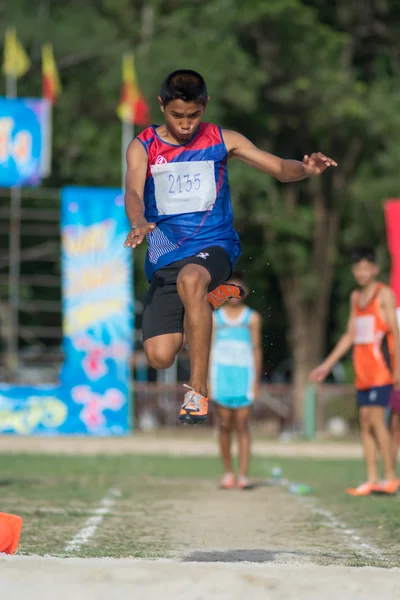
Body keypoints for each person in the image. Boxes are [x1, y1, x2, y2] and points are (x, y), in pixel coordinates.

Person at [124, 69, 336, 425]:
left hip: (214, 246)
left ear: (204, 106)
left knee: (192, 279)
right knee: (160, 356)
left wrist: (305, 169)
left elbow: (280, 169)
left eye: (194, 115)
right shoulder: (143, 145)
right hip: (165, 256)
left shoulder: (223, 139)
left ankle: (198, 390)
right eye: (177, 115)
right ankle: (207, 303)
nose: (186, 124)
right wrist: (138, 219)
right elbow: (131, 190)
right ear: (161, 106)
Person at [310, 248, 400, 495]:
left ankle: (391, 477)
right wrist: (326, 364)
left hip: (382, 369)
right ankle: (372, 478)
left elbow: (394, 330)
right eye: (357, 268)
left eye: (365, 268)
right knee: (365, 422)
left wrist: (398, 368)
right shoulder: (355, 298)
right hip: (362, 371)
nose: (361, 273)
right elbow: (350, 334)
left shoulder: (384, 294)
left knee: (376, 420)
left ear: (374, 270)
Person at [209, 274, 262, 489]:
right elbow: (209, 349)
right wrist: (207, 380)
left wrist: (256, 382)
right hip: (221, 376)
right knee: (224, 425)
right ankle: (228, 472)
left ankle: (243, 475)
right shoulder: (215, 318)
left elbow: (257, 349)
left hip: (244, 377)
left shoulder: (252, 318)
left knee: (242, 424)